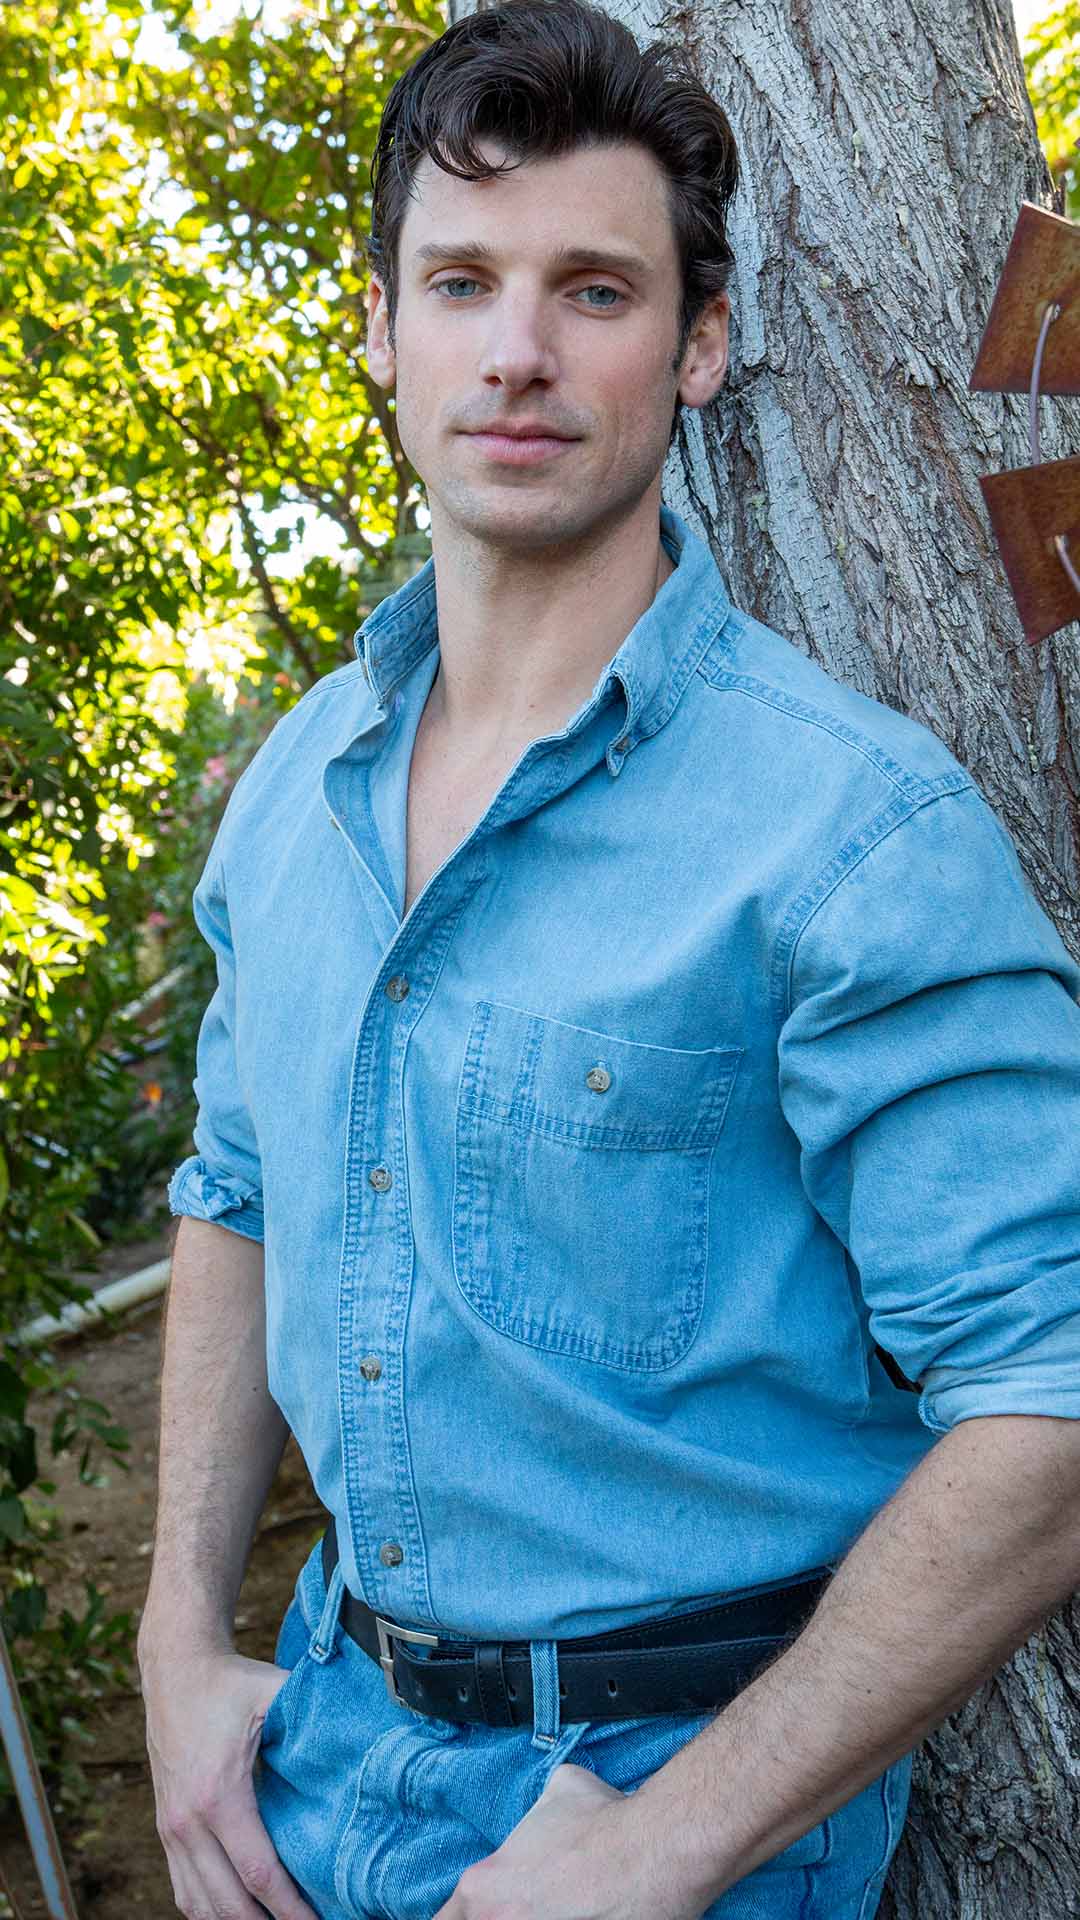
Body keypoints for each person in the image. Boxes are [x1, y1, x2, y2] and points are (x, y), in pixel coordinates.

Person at [137, 3, 1080, 1917]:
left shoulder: (849, 834)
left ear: (700, 345)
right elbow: (237, 1194)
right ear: (380, 331)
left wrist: (662, 1850)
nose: (518, 352)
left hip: (667, 1818)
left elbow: (1055, 1388)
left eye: (595, 290)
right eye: (461, 283)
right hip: (316, 1753)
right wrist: (173, 1644)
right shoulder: (297, 792)